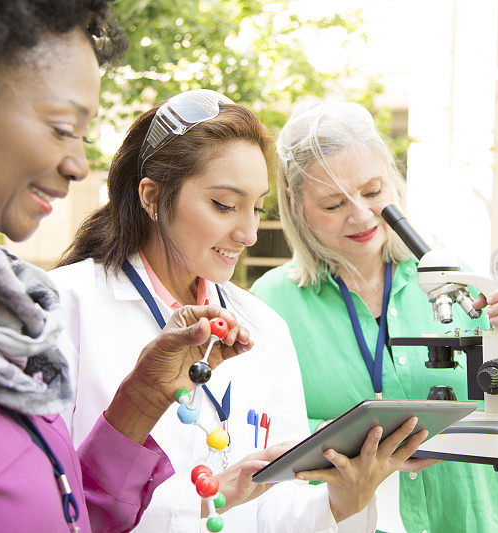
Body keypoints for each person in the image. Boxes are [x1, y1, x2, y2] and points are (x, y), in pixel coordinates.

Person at [0, 2, 250, 531]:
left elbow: (67, 514)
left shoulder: (1, 307)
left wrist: (145, 396)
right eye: (60, 128)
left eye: (83, 136)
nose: (76, 165)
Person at [50, 90, 428, 532]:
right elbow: (46, 498)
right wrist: (211, 499)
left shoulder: (263, 326)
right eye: (225, 205)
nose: (249, 233)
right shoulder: (63, 307)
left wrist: (342, 501)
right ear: (152, 198)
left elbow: (276, 507)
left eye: (257, 208)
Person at [251, 100, 498, 532]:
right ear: (297, 208)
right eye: (333, 204)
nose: (360, 215)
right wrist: (363, 441)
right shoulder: (272, 304)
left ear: (394, 184)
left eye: (373, 192)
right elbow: (259, 438)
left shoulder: (453, 281)